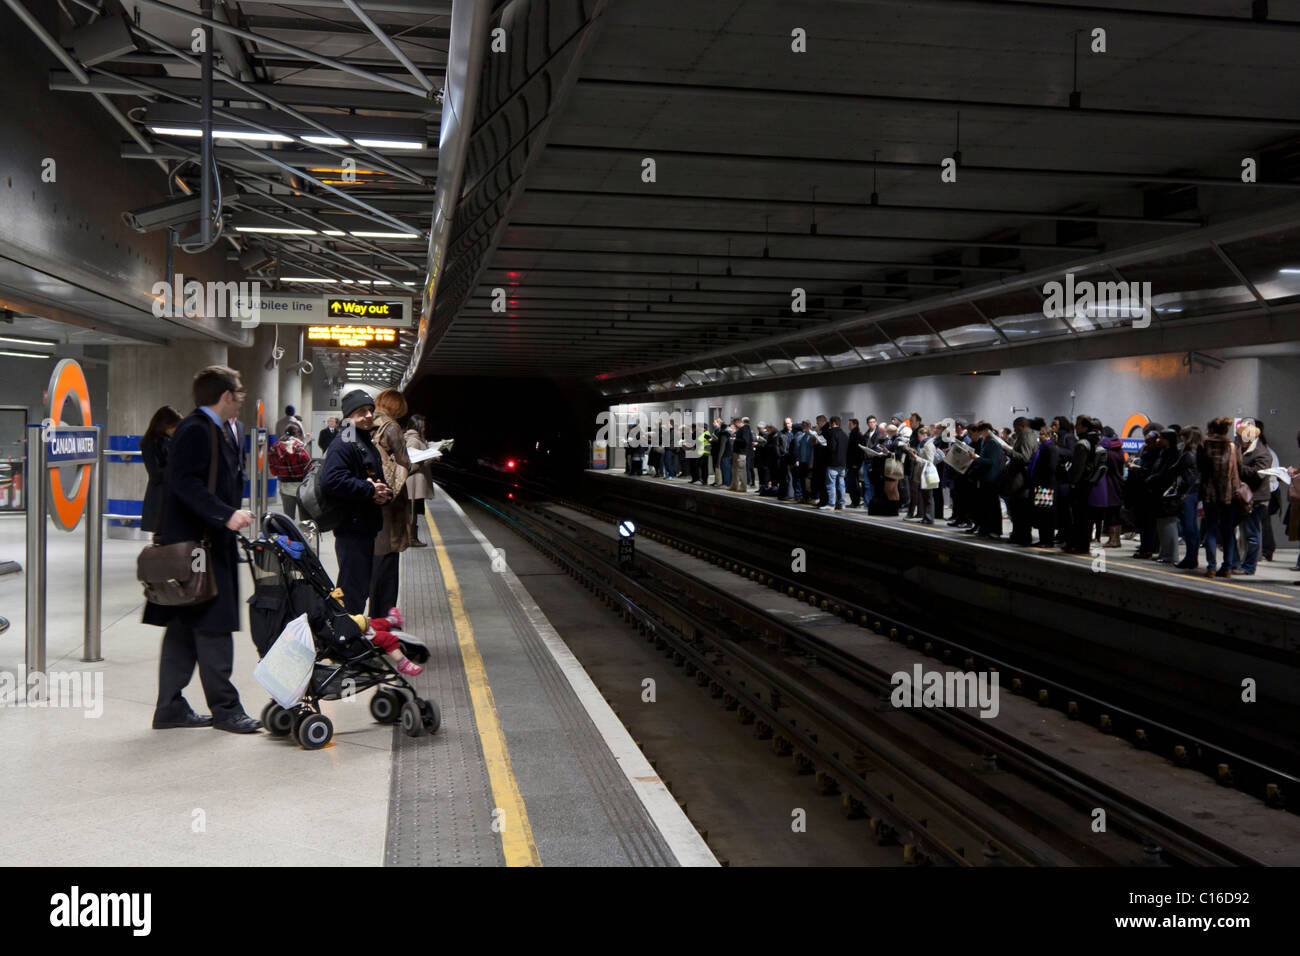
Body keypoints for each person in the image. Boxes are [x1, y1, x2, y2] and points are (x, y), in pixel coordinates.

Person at [144, 365, 261, 734]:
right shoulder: (196, 429)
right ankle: (226, 710)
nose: (242, 398)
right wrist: (226, 515)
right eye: (239, 392)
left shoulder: (219, 429)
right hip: (200, 548)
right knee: (213, 626)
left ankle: (170, 708)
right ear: (225, 395)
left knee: (182, 626)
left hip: (203, 544)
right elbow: (183, 483)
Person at [322, 389, 393, 611]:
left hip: (363, 527)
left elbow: (374, 477)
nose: (369, 415)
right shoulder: (344, 441)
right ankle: (345, 639)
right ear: (348, 416)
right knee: (352, 592)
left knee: (358, 589)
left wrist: (385, 494)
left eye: (370, 410)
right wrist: (368, 491)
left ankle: (352, 635)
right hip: (352, 529)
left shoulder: (362, 440)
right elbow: (331, 480)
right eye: (361, 412)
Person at [369, 388, 413, 616]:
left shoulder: (367, 422)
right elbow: (405, 463)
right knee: (387, 560)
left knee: (375, 556)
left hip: (369, 495)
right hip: (389, 500)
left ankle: (374, 615)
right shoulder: (392, 427)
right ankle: (384, 617)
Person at [1198, 416, 1239, 578]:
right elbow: (1238, 469)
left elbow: (1200, 470)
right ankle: (1227, 567)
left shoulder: (1204, 445)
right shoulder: (1232, 446)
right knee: (1228, 531)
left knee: (1211, 529)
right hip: (1229, 494)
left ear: (1211, 429)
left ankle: (1211, 567)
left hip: (1210, 494)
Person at [139, 405, 181, 534]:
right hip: (160, 496)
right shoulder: (150, 444)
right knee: (162, 537)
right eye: (173, 426)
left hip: (173, 493)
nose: (175, 430)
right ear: (163, 425)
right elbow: (155, 475)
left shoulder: (172, 440)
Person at [1236, 421, 1271, 575]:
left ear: (1249, 439)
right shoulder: (1241, 449)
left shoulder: (1262, 454)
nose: (1237, 440)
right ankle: (1237, 564)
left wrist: (1236, 465)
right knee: (1242, 534)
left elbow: (1257, 476)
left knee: (1252, 534)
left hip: (1255, 500)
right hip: (1242, 497)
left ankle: (1249, 567)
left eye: (1239, 438)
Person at [1025, 421, 1060, 546]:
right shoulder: (1043, 448)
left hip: (1046, 487)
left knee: (1046, 515)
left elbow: (1050, 468)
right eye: (1040, 434)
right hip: (1041, 486)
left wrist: (1041, 482)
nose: (1040, 436)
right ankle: (1043, 538)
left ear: (1049, 436)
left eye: (1043, 434)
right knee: (1041, 514)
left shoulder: (1050, 449)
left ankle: (1047, 540)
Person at [268, 421, 311, 520]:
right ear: (297, 434)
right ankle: (303, 535)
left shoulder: (275, 447)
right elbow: (308, 467)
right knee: (304, 519)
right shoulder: (299, 447)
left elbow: (273, 471)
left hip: (285, 486)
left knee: (289, 518)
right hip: (301, 487)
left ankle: (290, 534)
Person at [1174, 427, 1203, 569]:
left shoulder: (1187, 454)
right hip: (1197, 493)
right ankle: (1192, 557)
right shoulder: (1200, 452)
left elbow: (1174, 469)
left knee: (1189, 527)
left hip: (1188, 493)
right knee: (1194, 528)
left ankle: (1190, 558)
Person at [404, 413, 433, 547]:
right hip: (414, 482)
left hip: (417, 481)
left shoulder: (417, 439)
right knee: (412, 511)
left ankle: (413, 537)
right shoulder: (413, 440)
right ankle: (411, 539)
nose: (425, 427)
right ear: (417, 425)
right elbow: (412, 463)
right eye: (423, 425)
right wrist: (430, 457)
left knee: (414, 510)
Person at [820, 416, 848, 511]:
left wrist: (824, 446)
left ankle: (831, 504)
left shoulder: (832, 433)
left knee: (831, 485)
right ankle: (842, 504)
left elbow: (832, 448)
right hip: (843, 463)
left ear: (832, 423)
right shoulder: (844, 434)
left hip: (833, 463)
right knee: (841, 484)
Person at [846, 418, 865, 509]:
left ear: (855, 424)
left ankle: (855, 502)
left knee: (853, 484)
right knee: (852, 483)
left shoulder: (856, 435)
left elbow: (857, 451)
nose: (848, 426)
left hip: (854, 464)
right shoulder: (855, 434)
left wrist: (855, 463)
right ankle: (854, 501)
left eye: (850, 424)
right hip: (853, 463)